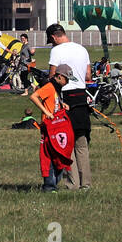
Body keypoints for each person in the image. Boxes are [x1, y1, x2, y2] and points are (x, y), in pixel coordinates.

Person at [47, 23, 92, 190]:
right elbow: (88, 75)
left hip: (66, 97)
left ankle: (72, 183)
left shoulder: (56, 51)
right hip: (82, 96)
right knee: (82, 143)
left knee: (66, 143)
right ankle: (86, 183)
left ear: (53, 37)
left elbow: (52, 76)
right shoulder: (82, 49)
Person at [28, 65, 73, 191]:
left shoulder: (56, 88)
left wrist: (62, 104)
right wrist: (46, 112)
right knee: (50, 157)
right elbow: (34, 97)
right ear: (59, 77)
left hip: (57, 126)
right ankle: (49, 186)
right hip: (48, 126)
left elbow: (53, 101)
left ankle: (53, 184)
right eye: (66, 79)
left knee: (58, 154)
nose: (67, 82)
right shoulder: (49, 87)